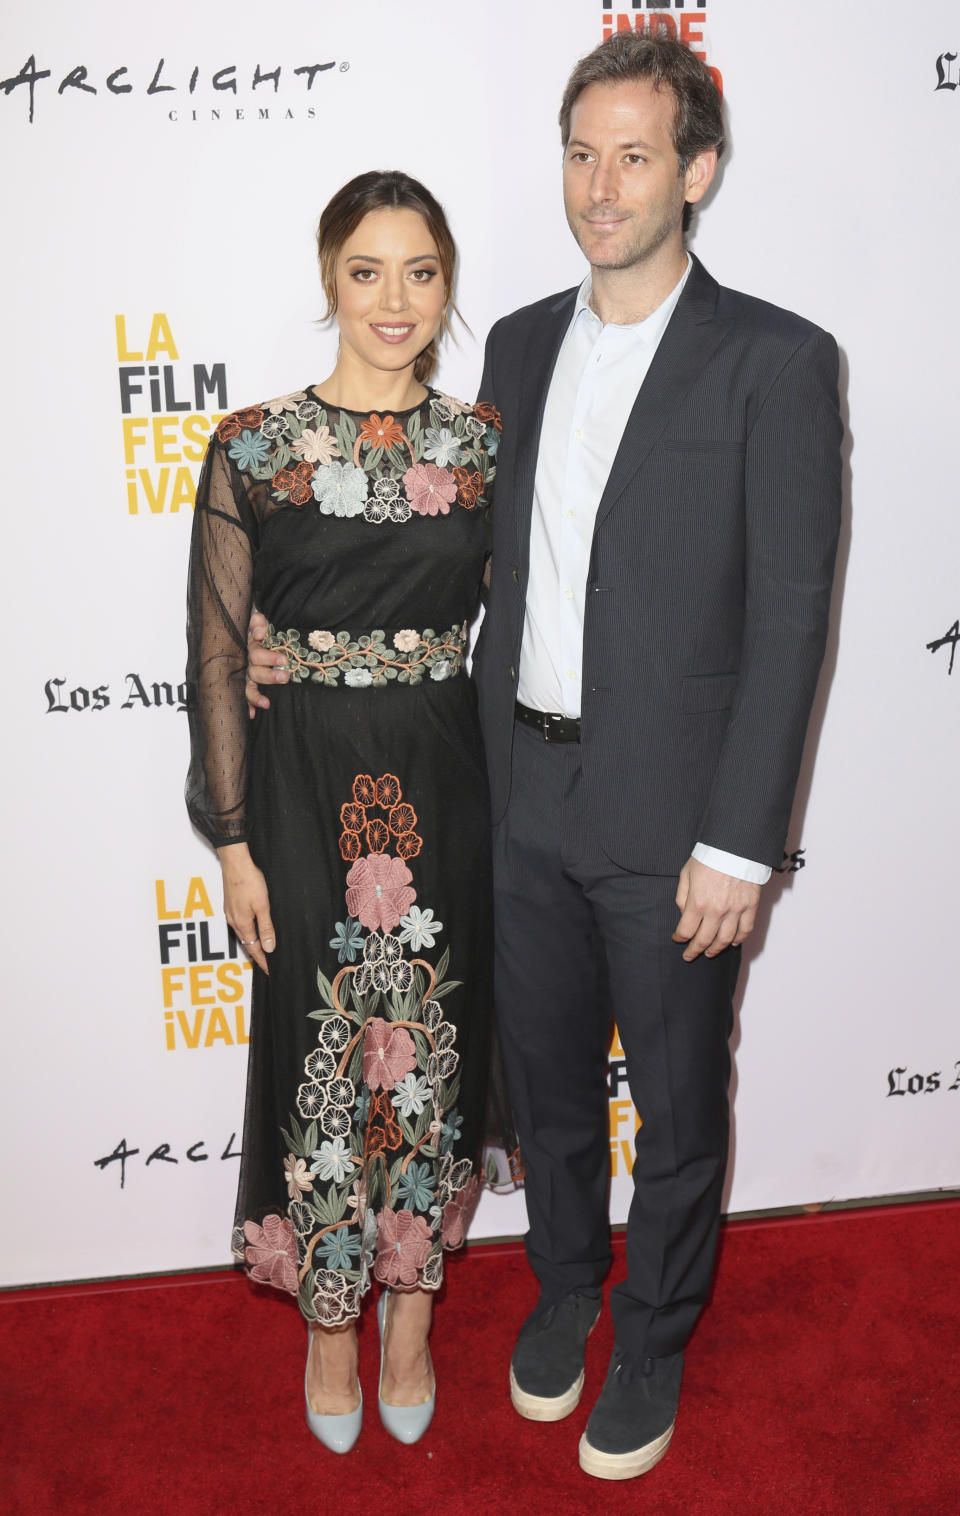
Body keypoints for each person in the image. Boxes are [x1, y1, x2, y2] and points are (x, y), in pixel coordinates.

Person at [247, 31, 842, 1484]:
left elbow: (792, 618)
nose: (601, 185)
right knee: (553, 1083)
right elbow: (433, 548)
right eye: (583, 153)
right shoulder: (512, 346)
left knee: (682, 1102)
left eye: (636, 155)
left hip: (680, 819)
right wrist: (277, 635)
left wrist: (743, 840)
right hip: (513, 796)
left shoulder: (775, 358)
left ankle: (652, 1332)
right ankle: (569, 1282)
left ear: (696, 170)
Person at [186, 169, 507, 1455]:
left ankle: (412, 1316)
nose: (393, 299)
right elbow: (216, 650)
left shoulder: (483, 446)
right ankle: (331, 1322)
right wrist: (232, 837)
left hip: (446, 780)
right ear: (330, 280)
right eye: (367, 271)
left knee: (429, 1053)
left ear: (447, 287)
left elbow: (535, 619)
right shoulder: (255, 446)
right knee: (323, 1057)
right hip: (304, 781)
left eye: (420, 272)